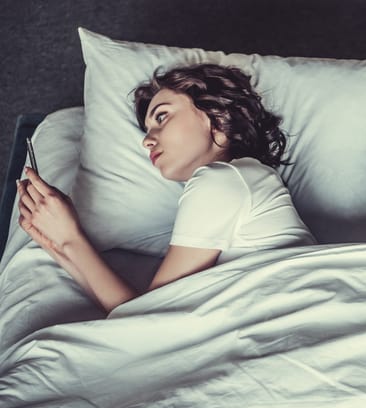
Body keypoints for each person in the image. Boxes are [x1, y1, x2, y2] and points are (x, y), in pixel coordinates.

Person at [16, 63, 316, 313]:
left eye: (162, 117)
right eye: (147, 129)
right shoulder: (241, 180)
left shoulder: (222, 179)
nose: (147, 140)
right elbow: (144, 318)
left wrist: (71, 239)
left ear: (219, 120)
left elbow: (149, 319)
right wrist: (57, 243)